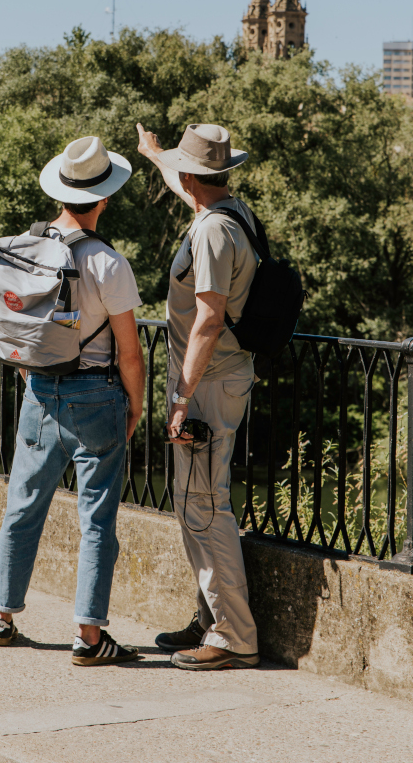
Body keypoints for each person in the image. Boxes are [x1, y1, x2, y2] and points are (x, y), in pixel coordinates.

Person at [0, 135, 146, 665]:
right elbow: (130, 352)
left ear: (61, 192)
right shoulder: (107, 263)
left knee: (22, 506)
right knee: (96, 518)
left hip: (39, 391)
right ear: (104, 198)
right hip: (96, 396)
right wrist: (135, 406)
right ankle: (88, 637)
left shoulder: (22, 245)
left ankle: (2, 617)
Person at [136, 121, 260, 671]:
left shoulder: (211, 232)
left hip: (207, 383)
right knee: (195, 503)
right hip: (221, 376)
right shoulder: (235, 214)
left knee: (206, 508)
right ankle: (211, 616)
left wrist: (182, 394)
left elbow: (208, 318)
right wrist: (155, 154)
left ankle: (234, 634)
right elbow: (182, 180)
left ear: (193, 176)